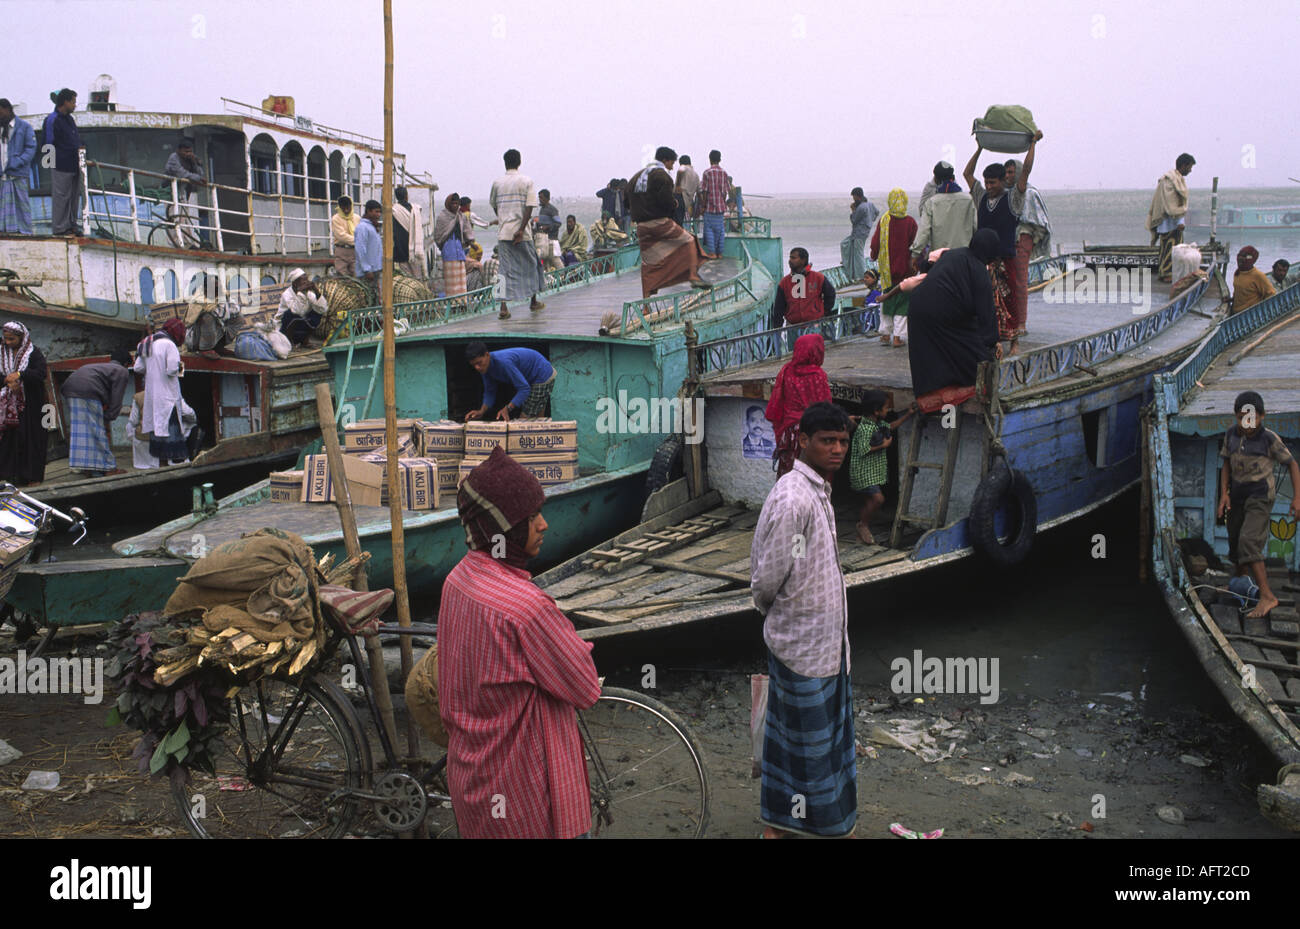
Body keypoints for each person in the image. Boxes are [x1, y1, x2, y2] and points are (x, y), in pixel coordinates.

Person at [438, 446, 602, 839]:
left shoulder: (456, 581)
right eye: (531, 518)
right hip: (527, 801)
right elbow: (583, 687)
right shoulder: (526, 608)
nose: (544, 525)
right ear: (503, 531)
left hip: (473, 787)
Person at [752, 401, 856, 840]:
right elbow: (767, 579)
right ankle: (829, 828)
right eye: (827, 441)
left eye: (843, 442)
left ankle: (777, 825)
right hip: (800, 644)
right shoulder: (794, 496)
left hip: (826, 646)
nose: (836, 449)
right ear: (805, 441)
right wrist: (780, 612)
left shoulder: (819, 492)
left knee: (799, 742)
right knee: (808, 749)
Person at [1216, 390, 1300, 620]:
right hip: (1238, 495)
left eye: (1252, 418)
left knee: (1249, 541)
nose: (1247, 423)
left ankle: (1267, 596)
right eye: (1242, 417)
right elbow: (1225, 464)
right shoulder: (1231, 435)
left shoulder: (1269, 439)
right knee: (1235, 540)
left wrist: (1297, 498)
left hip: (1260, 496)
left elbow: (1292, 465)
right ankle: (1239, 583)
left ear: (1262, 417)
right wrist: (1224, 494)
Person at [906, 230, 1004, 398]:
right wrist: (993, 343)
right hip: (940, 310)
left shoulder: (955, 253)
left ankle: (931, 390)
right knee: (973, 353)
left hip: (917, 305)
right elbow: (986, 314)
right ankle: (961, 385)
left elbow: (927, 268)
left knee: (930, 349)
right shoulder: (979, 270)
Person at [627, 147, 708, 298]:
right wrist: (674, 205)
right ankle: (692, 276)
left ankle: (646, 303)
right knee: (690, 241)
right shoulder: (662, 176)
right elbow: (667, 202)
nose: (672, 166)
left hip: (642, 227)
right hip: (659, 223)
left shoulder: (636, 177)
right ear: (665, 160)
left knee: (648, 264)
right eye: (671, 163)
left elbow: (627, 201)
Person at [848, 389, 914, 545]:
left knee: (870, 501)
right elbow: (864, 448)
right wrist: (884, 444)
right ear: (876, 411)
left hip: (872, 472)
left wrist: (908, 414)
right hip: (863, 473)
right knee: (878, 499)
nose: (888, 410)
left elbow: (890, 426)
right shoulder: (865, 428)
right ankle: (862, 525)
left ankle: (861, 534)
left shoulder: (877, 424)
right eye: (885, 408)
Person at [489, 149, 546, 320]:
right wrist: (521, 229)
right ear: (519, 162)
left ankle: (503, 308)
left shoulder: (497, 183)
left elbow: (494, 205)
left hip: (504, 233)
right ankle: (533, 301)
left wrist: (503, 218)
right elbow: (530, 206)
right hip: (523, 233)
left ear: (505, 163)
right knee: (532, 265)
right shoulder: (526, 181)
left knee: (504, 270)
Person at [764, 333, 832, 476]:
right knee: (814, 473)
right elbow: (826, 409)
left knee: (789, 472)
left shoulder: (787, 371)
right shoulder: (819, 376)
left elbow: (778, 403)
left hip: (790, 433)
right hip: (813, 433)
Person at [61, 348, 133, 476]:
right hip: (87, 392)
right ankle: (109, 468)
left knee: (82, 432)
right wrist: (110, 415)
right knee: (97, 430)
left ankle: (88, 467)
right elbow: (117, 397)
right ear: (126, 364)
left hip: (69, 390)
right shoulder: (121, 371)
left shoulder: (100, 367)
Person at [1003, 138, 1049, 338]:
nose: (1008, 175)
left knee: (1020, 282)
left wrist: (1032, 145)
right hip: (1008, 241)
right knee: (1006, 281)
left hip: (1023, 239)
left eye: (1011, 172)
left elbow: (1038, 222)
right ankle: (1008, 320)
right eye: (1006, 172)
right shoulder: (1005, 193)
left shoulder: (1028, 193)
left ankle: (1021, 322)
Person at [134, 318, 193, 465]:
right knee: (171, 433)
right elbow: (172, 369)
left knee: (158, 434)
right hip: (168, 397)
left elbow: (138, 368)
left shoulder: (146, 342)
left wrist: (153, 369)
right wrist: (180, 367)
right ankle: (176, 470)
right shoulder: (169, 345)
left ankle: (162, 467)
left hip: (152, 397)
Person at [0, 321, 49, 485]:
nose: (7, 342)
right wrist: (6, 380)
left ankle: (32, 476)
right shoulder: (1, 352)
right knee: (8, 439)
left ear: (21, 338)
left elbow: (40, 374)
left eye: (11, 339)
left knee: (32, 438)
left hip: (32, 404)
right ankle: (9, 475)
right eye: (5, 338)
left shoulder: (33, 353)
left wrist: (20, 375)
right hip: (7, 405)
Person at [871, 188, 918, 348]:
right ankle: (897, 337)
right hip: (906, 269)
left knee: (887, 299)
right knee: (903, 304)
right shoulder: (911, 222)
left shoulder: (884, 220)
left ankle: (885, 334)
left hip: (887, 270)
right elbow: (916, 245)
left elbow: (876, 243)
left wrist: (873, 254)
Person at [463, 342, 556, 422]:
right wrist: (481, 411)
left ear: (487, 355)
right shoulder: (485, 369)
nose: (477, 368)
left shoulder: (504, 362)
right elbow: (490, 391)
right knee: (538, 418)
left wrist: (507, 408)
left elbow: (524, 389)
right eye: (474, 365)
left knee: (523, 421)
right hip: (531, 378)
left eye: (479, 363)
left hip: (541, 375)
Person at [911, 162, 974, 268]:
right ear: (952, 178)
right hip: (964, 257)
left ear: (936, 179)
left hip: (939, 258)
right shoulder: (968, 200)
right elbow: (976, 227)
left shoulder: (931, 202)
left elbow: (924, 231)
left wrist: (915, 254)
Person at [1146, 153, 1195, 283]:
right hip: (1170, 222)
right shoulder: (1170, 180)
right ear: (1183, 165)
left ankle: (1165, 272)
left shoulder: (1175, 179)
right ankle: (1166, 273)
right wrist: (1179, 221)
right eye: (1189, 167)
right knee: (1171, 248)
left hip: (1171, 222)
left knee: (1169, 248)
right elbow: (1171, 204)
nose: (1190, 170)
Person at [44, 89, 83, 236]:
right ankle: (60, 228)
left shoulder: (70, 120)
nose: (75, 105)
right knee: (61, 197)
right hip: (60, 165)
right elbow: (48, 143)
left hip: (74, 165)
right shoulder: (52, 119)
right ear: (65, 102)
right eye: (73, 102)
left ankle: (71, 225)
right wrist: (50, 166)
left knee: (73, 198)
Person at [771, 247, 836, 330]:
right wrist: (777, 330)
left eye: (793, 258)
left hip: (815, 326)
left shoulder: (818, 278)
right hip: (793, 328)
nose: (790, 260)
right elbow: (779, 308)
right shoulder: (784, 282)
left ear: (803, 260)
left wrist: (823, 312)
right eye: (790, 257)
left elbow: (830, 294)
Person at [0, 98, 37, 235]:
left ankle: (24, 232)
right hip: (2, 175)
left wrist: (18, 161)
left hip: (18, 173)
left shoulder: (24, 127)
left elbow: (31, 148)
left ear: (8, 110)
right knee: (3, 207)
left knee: (22, 204)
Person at [164, 139, 206, 249]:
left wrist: (196, 162)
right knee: (174, 218)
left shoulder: (190, 159)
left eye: (190, 152)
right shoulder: (174, 158)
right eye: (185, 151)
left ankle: (188, 243)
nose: (188, 154)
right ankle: (176, 244)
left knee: (184, 219)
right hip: (170, 193)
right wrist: (198, 178)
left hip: (183, 193)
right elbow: (181, 173)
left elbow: (201, 174)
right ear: (179, 150)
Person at [274, 268, 328, 345]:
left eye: (307, 279)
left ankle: (304, 339)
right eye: (303, 280)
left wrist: (316, 291)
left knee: (317, 312)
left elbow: (323, 309)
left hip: (299, 327)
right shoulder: (286, 295)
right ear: (295, 283)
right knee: (290, 313)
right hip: (284, 328)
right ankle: (288, 340)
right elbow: (296, 311)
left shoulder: (308, 293)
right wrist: (300, 292)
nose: (306, 282)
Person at [840, 187, 879, 282]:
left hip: (859, 234)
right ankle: (847, 262)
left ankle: (863, 277)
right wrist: (870, 220)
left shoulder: (861, 207)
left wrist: (853, 210)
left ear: (857, 196)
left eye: (854, 197)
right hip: (863, 232)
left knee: (858, 255)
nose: (853, 199)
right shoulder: (870, 205)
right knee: (845, 244)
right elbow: (877, 212)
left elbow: (854, 220)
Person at [433, 193, 469, 296]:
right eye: (453, 203)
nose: (455, 206)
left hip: (459, 251)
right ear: (448, 204)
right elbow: (438, 236)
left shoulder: (460, 216)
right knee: (451, 281)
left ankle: (462, 303)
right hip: (449, 251)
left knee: (461, 280)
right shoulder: (442, 217)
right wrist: (444, 247)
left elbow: (466, 232)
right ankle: (453, 304)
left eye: (457, 204)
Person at [698, 151, 731, 259]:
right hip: (721, 208)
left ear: (710, 159)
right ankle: (720, 253)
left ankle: (712, 253)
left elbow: (704, 191)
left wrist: (703, 206)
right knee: (720, 231)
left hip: (709, 207)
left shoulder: (707, 173)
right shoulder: (724, 173)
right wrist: (722, 202)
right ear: (720, 160)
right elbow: (726, 192)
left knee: (710, 230)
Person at [1230, 246, 1275, 314]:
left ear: (1252, 260)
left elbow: (1271, 294)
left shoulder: (1258, 275)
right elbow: (1239, 292)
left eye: (1244, 256)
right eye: (1239, 255)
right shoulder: (1237, 273)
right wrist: (1231, 299)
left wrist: (1260, 311)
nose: (1240, 258)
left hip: (1250, 315)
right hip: (1235, 313)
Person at [393, 186, 426, 279]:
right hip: (415, 250)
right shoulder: (415, 209)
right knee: (418, 277)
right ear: (407, 196)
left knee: (406, 279)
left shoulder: (394, 210)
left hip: (400, 249)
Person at [354, 199, 383, 287]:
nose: (378, 214)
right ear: (368, 211)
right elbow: (360, 249)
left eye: (379, 212)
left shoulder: (372, 226)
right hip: (367, 272)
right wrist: (367, 270)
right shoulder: (363, 227)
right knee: (367, 298)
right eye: (376, 212)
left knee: (375, 297)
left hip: (375, 269)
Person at [128, 391, 159, 470]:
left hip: (144, 436)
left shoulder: (139, 396)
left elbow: (133, 420)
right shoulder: (170, 392)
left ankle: (142, 463)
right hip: (165, 438)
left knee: (130, 427)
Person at [331, 196, 360, 276]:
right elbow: (342, 236)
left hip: (354, 251)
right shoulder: (336, 219)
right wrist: (358, 241)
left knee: (357, 275)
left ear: (351, 206)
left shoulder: (357, 218)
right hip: (341, 250)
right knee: (342, 276)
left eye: (348, 207)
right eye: (343, 208)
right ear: (339, 207)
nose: (346, 210)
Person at [674, 154, 700, 225]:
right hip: (687, 202)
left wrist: (677, 185)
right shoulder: (696, 175)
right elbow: (699, 191)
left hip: (679, 198)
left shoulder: (683, 169)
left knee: (675, 223)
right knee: (680, 222)